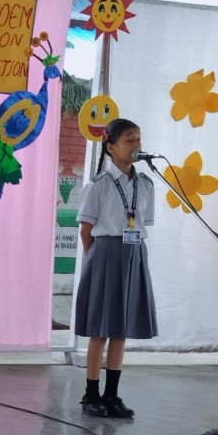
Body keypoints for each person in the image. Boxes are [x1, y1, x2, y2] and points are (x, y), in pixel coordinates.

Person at [74, 118, 158, 418]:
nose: (136, 144)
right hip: (105, 254)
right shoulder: (98, 185)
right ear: (111, 147)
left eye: (138, 138)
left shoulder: (146, 184)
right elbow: (86, 230)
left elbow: (143, 223)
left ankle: (112, 395)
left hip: (134, 254)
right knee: (100, 330)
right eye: (129, 139)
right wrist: (97, 262)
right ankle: (91, 393)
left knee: (121, 330)